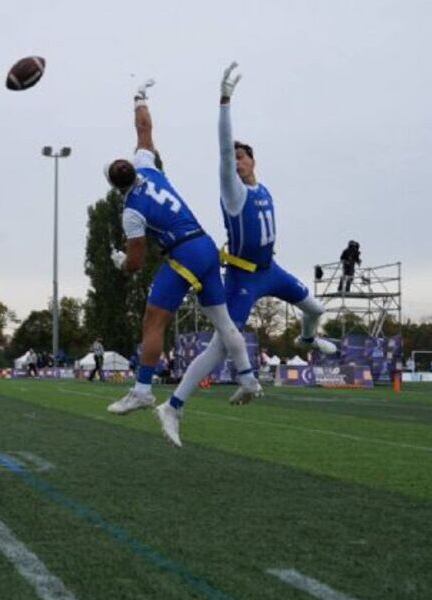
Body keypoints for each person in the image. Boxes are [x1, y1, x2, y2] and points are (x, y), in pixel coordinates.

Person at [160, 63, 337, 446]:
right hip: (242, 278)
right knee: (221, 345)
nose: (236, 162)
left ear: (254, 162)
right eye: (233, 158)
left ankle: (306, 343)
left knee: (316, 310)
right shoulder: (233, 192)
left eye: (242, 157)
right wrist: (225, 101)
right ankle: (173, 406)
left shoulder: (264, 189)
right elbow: (223, 150)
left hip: (270, 270)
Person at [103, 78, 262, 443]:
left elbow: (135, 262)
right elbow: (145, 128)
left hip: (185, 253)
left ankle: (143, 390)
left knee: (153, 320)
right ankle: (248, 377)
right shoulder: (147, 165)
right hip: (205, 245)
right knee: (223, 323)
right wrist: (139, 98)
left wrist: (117, 261)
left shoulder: (131, 211)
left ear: (114, 187)